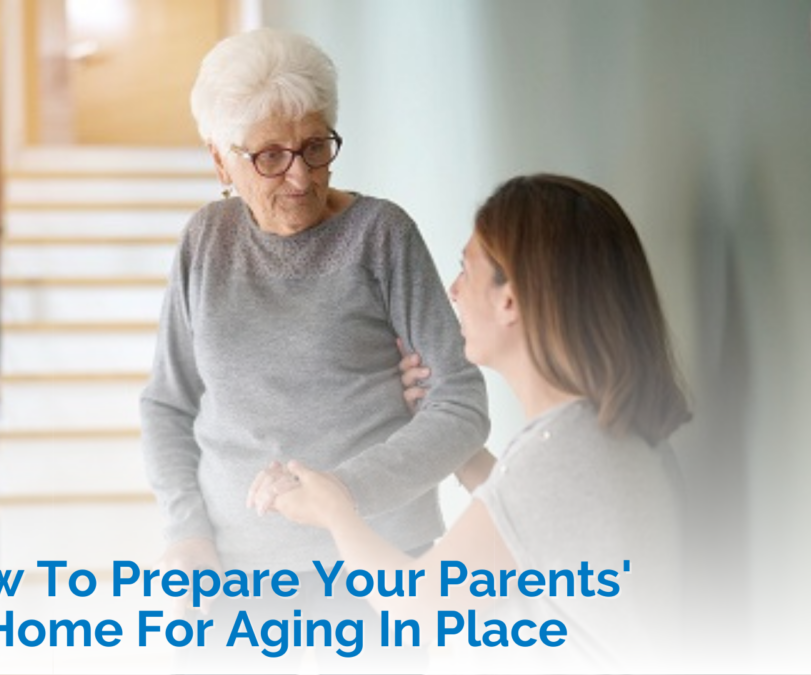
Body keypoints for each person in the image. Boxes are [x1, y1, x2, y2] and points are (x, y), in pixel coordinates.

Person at [138, 27, 490, 669]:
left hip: (382, 576)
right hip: (236, 587)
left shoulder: (380, 235)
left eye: (315, 146)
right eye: (270, 156)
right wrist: (186, 532)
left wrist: (337, 496)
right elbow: (167, 407)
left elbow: (460, 404)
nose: (300, 176)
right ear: (222, 160)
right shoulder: (204, 243)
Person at [252, 174, 692, 672]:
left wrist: (335, 511)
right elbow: (527, 525)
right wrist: (454, 443)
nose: (454, 290)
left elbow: (419, 607)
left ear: (510, 299)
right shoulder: (598, 436)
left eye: (467, 268)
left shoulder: (559, 454)